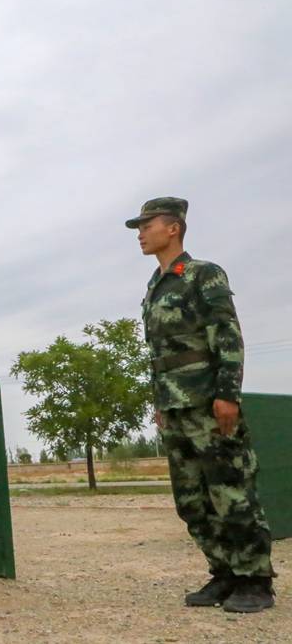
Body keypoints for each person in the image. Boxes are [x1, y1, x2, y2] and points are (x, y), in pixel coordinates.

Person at [128, 197, 274, 613]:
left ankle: (255, 579)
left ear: (172, 228)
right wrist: (159, 401)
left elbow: (227, 336)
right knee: (191, 500)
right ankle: (224, 573)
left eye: (146, 225)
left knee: (231, 491)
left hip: (208, 403)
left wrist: (228, 395)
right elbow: (160, 352)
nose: (140, 234)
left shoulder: (202, 275)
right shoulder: (156, 285)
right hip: (174, 407)